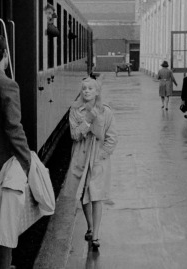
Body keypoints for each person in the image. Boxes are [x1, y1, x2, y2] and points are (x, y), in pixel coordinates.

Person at [0, 33, 31, 269]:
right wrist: (27, 161)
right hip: (3, 163)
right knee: (5, 221)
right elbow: (14, 127)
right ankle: (4, 265)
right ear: (5, 55)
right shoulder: (7, 84)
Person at [69, 77, 118, 249]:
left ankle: (96, 235)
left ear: (97, 91)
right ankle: (89, 225)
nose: (87, 91)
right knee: (83, 194)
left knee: (97, 195)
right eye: (84, 88)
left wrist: (102, 155)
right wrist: (88, 120)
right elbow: (74, 135)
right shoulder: (75, 110)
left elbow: (112, 138)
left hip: (98, 159)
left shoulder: (106, 111)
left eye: (90, 88)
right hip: (81, 158)